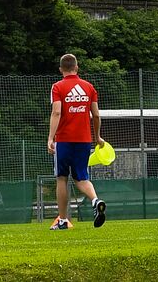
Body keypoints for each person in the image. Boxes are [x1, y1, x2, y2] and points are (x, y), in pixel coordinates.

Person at [47, 52, 106, 229]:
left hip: (64, 139)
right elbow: (95, 114)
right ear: (76, 67)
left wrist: (51, 137)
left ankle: (63, 220)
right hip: (84, 139)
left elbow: (57, 112)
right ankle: (95, 200)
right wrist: (97, 137)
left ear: (60, 69)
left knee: (62, 178)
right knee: (81, 178)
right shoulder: (88, 87)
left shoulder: (57, 87)